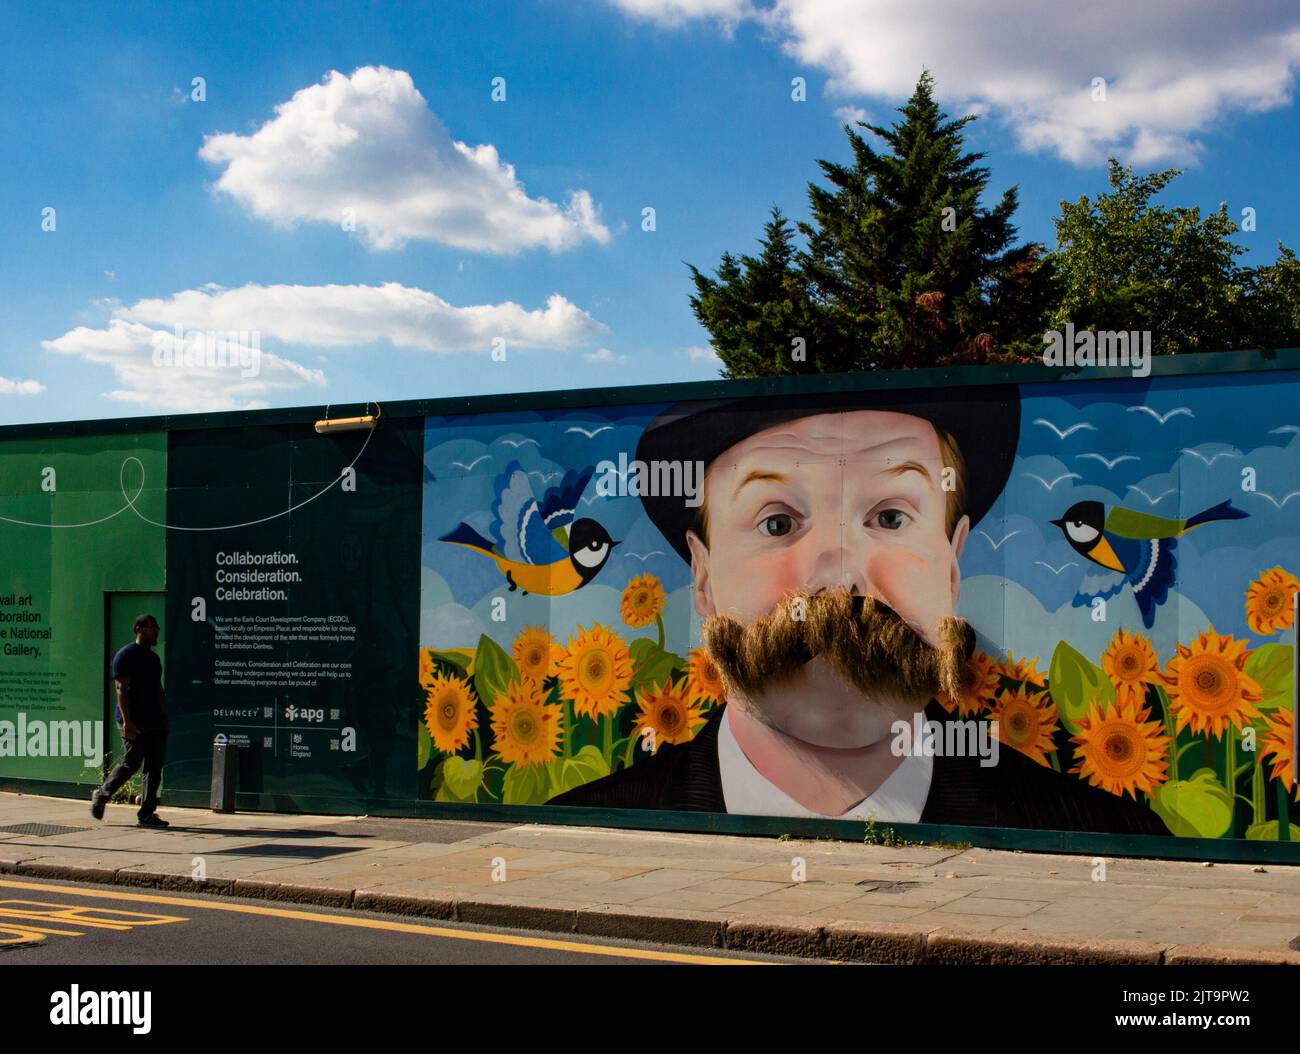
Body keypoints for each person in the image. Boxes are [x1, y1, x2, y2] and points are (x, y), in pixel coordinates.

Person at [549, 388, 1167, 836]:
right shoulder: (573, 842)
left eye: (891, 518)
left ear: (952, 568)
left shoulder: (1112, 840)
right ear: (704, 577)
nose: (838, 575)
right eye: (778, 522)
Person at [91, 614, 170, 828]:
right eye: (153, 627)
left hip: (155, 720)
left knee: (154, 767)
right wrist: (127, 722)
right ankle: (102, 794)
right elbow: (120, 689)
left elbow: (158, 688)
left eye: (157, 627)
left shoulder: (154, 659)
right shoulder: (125, 655)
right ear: (139, 628)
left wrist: (164, 717)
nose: (156, 631)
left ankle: (147, 813)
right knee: (132, 762)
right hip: (134, 720)